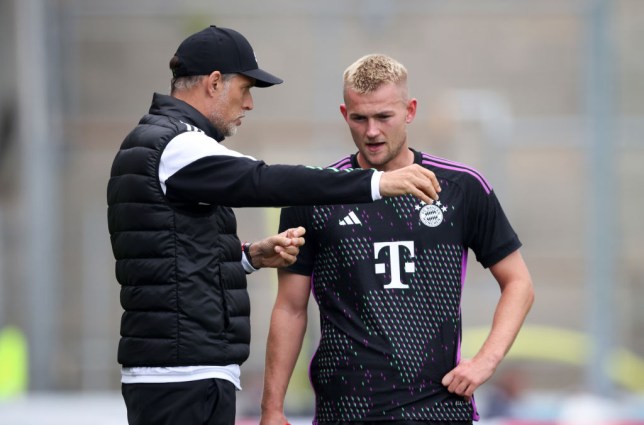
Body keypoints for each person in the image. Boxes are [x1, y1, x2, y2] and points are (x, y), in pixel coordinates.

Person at [106, 28, 442, 425]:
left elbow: (174, 254)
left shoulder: (162, 141)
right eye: (245, 88)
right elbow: (262, 180)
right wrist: (376, 182)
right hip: (182, 375)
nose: (248, 103)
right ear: (215, 83)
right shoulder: (176, 144)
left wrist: (247, 258)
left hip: (180, 370)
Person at [260, 54, 535, 425]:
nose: (372, 131)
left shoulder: (461, 188)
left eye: (384, 117)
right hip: (346, 410)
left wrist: (486, 361)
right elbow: (290, 307)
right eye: (360, 118)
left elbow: (518, 283)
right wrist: (272, 408)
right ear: (345, 114)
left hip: (437, 407)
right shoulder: (316, 194)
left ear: (410, 110)